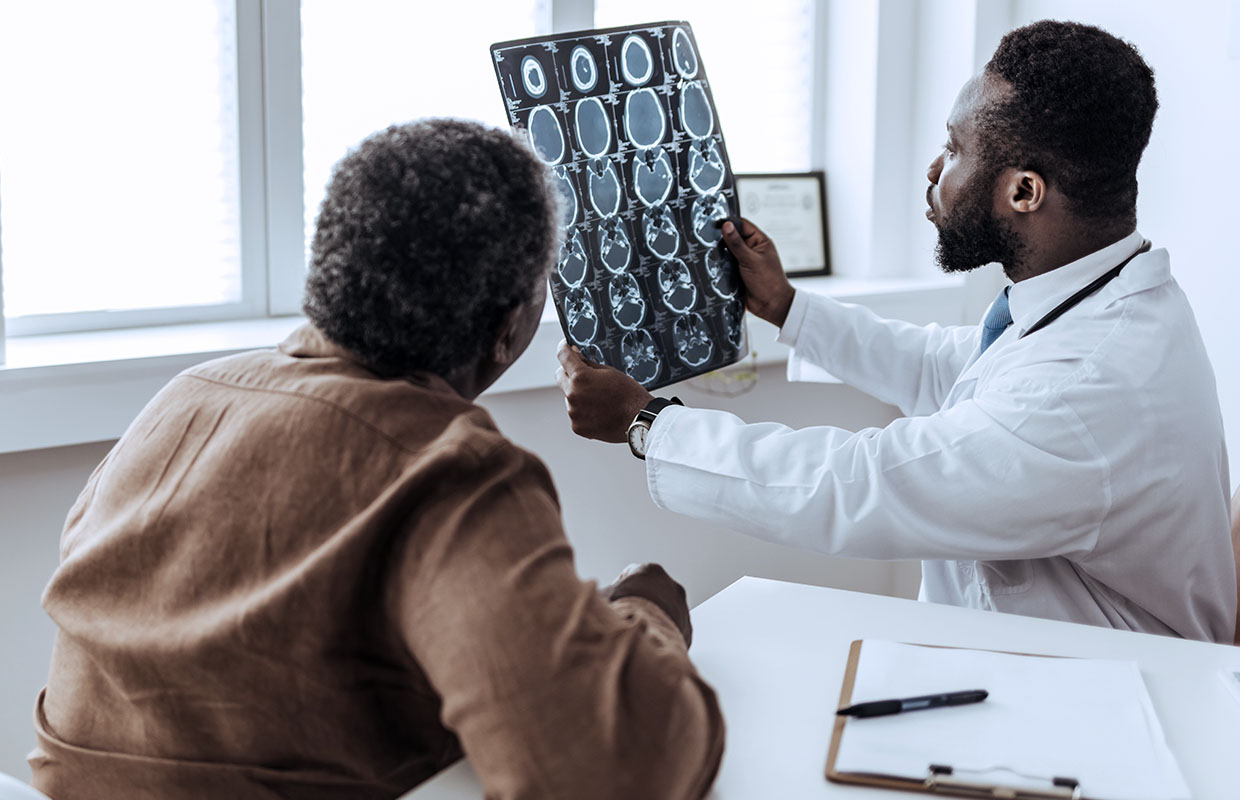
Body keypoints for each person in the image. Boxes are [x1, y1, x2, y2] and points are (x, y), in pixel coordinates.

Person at [31, 120, 724, 799]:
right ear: (510, 324)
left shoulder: (180, 403)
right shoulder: (448, 466)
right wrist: (646, 614)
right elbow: (611, 771)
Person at [557, 20, 1235, 643]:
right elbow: (953, 367)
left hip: (1112, 708)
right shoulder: (1104, 299)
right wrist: (790, 308)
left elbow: (861, 486)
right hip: (1040, 665)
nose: (935, 170)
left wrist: (648, 423)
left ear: (1023, 192)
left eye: (956, 147)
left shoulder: (1091, 385)